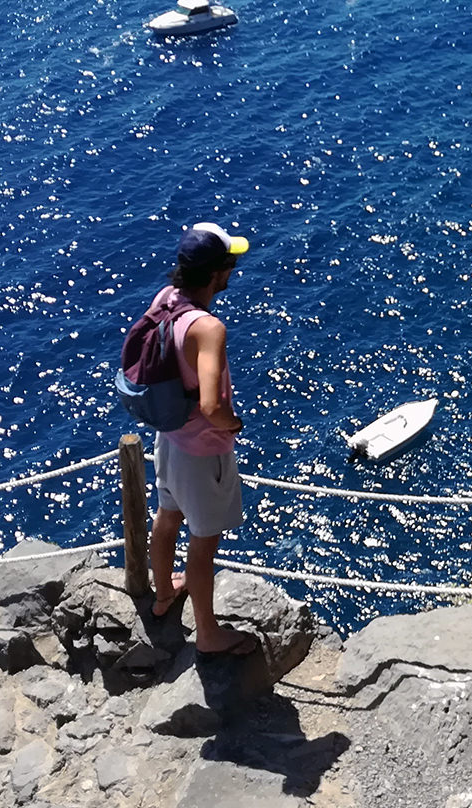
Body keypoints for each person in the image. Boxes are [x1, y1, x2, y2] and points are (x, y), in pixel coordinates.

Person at [146, 220, 260, 657]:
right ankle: (209, 636)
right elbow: (212, 406)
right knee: (204, 540)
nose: (233, 270)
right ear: (216, 273)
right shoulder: (207, 327)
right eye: (229, 264)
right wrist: (233, 425)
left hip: (169, 438)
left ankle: (162, 595)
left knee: (167, 515)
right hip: (201, 450)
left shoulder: (167, 300)